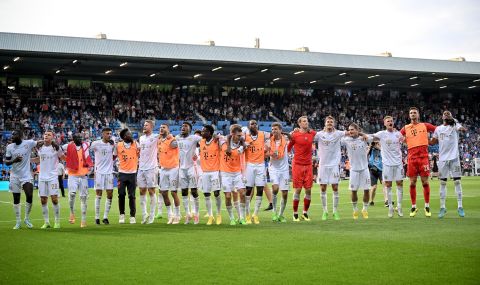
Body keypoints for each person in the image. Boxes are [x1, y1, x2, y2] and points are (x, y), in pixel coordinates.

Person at [400, 107, 436, 217]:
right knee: (412, 183)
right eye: (411, 113)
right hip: (412, 157)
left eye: (414, 112)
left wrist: (432, 141)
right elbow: (397, 136)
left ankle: (427, 206)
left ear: (418, 114)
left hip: (423, 157)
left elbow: (439, 130)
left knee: (425, 182)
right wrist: (406, 141)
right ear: (409, 115)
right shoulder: (405, 128)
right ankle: (413, 207)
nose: (412, 114)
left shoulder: (425, 125)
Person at [430, 111, 467, 218]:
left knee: (457, 181)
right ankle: (442, 207)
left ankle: (460, 206)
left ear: (450, 116)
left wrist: (456, 124)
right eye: (444, 114)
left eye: (448, 114)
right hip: (442, 159)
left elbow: (463, 129)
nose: (446, 115)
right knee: (442, 183)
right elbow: (433, 142)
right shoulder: (438, 129)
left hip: (454, 158)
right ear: (442, 117)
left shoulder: (455, 125)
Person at [314, 116, 347, 221]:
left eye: (331, 122)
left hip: (334, 166)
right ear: (325, 123)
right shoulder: (319, 135)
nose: (329, 123)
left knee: (335, 188)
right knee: (323, 188)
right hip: (323, 165)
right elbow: (307, 135)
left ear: (334, 123)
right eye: (328, 121)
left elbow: (352, 132)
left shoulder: (338, 133)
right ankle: (325, 211)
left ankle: (335, 211)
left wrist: (362, 134)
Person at [372, 116, 405, 217]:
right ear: (384, 123)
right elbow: (370, 137)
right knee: (388, 185)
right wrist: (360, 134)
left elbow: (406, 142)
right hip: (387, 165)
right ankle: (390, 207)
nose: (390, 122)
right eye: (388, 121)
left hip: (398, 163)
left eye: (391, 121)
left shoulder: (398, 134)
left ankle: (399, 207)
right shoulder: (382, 134)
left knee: (399, 184)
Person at [5, 130, 37, 229]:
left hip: (26, 175)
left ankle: (26, 218)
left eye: (14, 134)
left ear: (20, 135)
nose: (12, 136)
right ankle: (18, 222)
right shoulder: (9, 147)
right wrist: (14, 160)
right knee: (16, 198)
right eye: (12, 135)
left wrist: (50, 141)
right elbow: (6, 162)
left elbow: (40, 142)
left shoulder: (28, 143)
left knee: (30, 194)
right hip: (14, 175)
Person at [287, 116, 316, 222]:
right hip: (298, 165)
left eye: (307, 121)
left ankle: (305, 213)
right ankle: (295, 214)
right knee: (298, 190)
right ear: (299, 124)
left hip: (308, 165)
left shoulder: (312, 133)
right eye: (304, 121)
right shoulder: (294, 135)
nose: (306, 123)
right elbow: (288, 148)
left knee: (308, 190)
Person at [342, 124, 372, 219]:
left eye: (352, 130)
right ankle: (355, 210)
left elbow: (372, 139)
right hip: (354, 170)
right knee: (353, 191)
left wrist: (362, 134)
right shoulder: (346, 140)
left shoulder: (363, 139)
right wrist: (345, 133)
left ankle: (365, 209)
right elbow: (335, 139)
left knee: (366, 190)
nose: (350, 131)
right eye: (349, 130)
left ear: (357, 130)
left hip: (364, 169)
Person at [220, 124, 247, 225]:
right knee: (227, 196)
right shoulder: (223, 142)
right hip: (225, 174)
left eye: (241, 136)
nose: (240, 137)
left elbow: (245, 144)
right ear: (233, 134)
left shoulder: (242, 144)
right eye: (238, 135)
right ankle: (232, 218)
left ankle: (242, 218)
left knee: (242, 193)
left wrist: (243, 144)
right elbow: (217, 136)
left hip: (237, 173)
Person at [64, 133, 93, 228]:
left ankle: (83, 220)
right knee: (72, 194)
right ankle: (72, 212)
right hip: (73, 175)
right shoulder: (68, 146)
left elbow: (94, 144)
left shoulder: (85, 145)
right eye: (78, 137)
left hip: (83, 175)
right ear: (73, 139)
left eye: (81, 137)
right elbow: (59, 150)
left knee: (83, 198)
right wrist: (66, 159)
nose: (80, 138)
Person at [37, 131, 64, 229]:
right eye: (45, 134)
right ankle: (46, 222)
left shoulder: (56, 148)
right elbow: (39, 159)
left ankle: (57, 222)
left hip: (52, 177)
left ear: (52, 137)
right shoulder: (39, 147)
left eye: (48, 135)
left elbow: (63, 157)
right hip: (42, 177)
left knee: (54, 199)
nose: (46, 136)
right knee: (43, 200)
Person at [244, 120, 269, 224]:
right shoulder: (245, 136)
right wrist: (244, 145)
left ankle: (255, 214)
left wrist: (267, 147)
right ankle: (247, 214)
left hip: (260, 165)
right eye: (251, 124)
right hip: (249, 165)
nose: (254, 125)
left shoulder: (263, 134)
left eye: (255, 123)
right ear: (248, 127)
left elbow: (274, 135)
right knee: (248, 190)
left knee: (260, 189)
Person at [176, 122, 202, 224]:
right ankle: (187, 214)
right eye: (182, 126)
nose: (183, 128)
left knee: (194, 191)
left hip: (192, 167)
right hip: (181, 169)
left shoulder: (194, 138)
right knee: (184, 192)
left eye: (185, 126)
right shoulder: (177, 138)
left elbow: (204, 141)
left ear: (190, 129)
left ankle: (196, 214)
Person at [90, 128, 115, 225]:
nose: (109, 135)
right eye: (107, 133)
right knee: (99, 194)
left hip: (109, 173)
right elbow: (86, 150)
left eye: (110, 133)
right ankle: (97, 217)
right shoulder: (96, 143)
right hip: (99, 172)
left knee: (110, 194)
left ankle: (105, 217)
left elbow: (115, 155)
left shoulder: (112, 144)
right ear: (103, 134)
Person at [199, 124, 222, 225]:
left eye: (204, 131)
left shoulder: (217, 141)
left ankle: (218, 214)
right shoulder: (201, 141)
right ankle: (210, 215)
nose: (202, 132)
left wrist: (219, 136)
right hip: (204, 172)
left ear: (209, 133)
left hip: (215, 171)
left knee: (216, 193)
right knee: (206, 194)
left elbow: (224, 139)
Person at [158, 123, 180, 224]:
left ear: (168, 129)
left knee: (173, 192)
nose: (161, 129)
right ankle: (170, 215)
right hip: (163, 169)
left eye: (164, 127)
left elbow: (178, 144)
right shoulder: (159, 140)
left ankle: (177, 215)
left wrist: (173, 138)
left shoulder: (172, 140)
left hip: (173, 169)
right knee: (163, 193)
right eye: (160, 128)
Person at [138, 120, 159, 224]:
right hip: (141, 168)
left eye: (146, 125)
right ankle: (144, 214)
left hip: (151, 168)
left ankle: (152, 215)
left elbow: (165, 136)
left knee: (151, 191)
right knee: (141, 191)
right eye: (144, 125)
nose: (144, 126)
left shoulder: (155, 137)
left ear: (151, 127)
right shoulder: (141, 138)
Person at [116, 128, 139, 224]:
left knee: (132, 196)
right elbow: (114, 156)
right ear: (125, 136)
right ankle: (122, 214)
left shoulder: (136, 144)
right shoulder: (118, 145)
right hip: (122, 174)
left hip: (132, 174)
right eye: (129, 134)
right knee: (121, 194)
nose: (132, 135)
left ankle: (132, 216)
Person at [268, 122, 290, 223]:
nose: (274, 131)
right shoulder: (269, 141)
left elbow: (294, 137)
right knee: (275, 188)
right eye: (272, 129)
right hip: (273, 168)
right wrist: (271, 153)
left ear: (280, 130)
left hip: (284, 169)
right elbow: (264, 153)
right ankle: (274, 212)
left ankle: (280, 215)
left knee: (285, 193)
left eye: (276, 129)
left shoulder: (286, 139)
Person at [367, 139, 384, 206]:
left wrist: (379, 146)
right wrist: (370, 146)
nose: (376, 144)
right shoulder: (371, 149)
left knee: (384, 184)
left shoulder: (382, 148)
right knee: (374, 187)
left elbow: (385, 153)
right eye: (375, 143)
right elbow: (366, 154)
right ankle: (371, 201)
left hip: (381, 169)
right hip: (373, 169)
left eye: (377, 142)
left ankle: (386, 200)